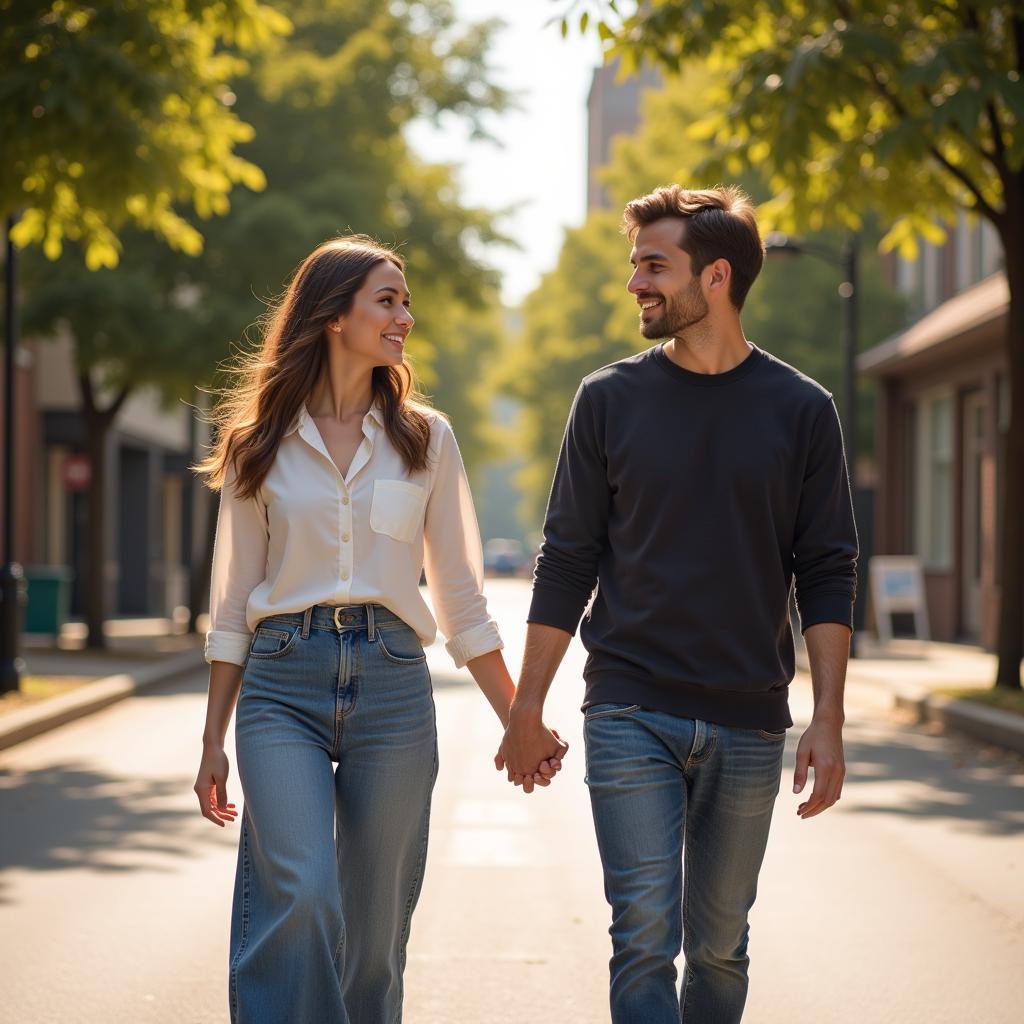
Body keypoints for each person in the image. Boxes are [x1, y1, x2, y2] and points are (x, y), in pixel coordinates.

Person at [499, 186, 858, 1023]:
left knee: (722, 946)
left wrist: (829, 717)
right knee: (644, 934)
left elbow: (828, 569)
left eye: (654, 266)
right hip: (630, 705)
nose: (636, 284)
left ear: (718, 277)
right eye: (635, 267)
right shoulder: (608, 399)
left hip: (749, 715)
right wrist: (526, 705)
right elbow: (566, 560)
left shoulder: (803, 410)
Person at [192, 235, 566, 1024]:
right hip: (281, 681)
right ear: (333, 315)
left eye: (405, 300)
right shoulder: (257, 443)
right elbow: (232, 608)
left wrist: (518, 719)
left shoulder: (426, 440)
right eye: (387, 299)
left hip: (394, 683)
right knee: (301, 895)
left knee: (372, 936)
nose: (406, 316)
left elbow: (461, 599)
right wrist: (211, 740)